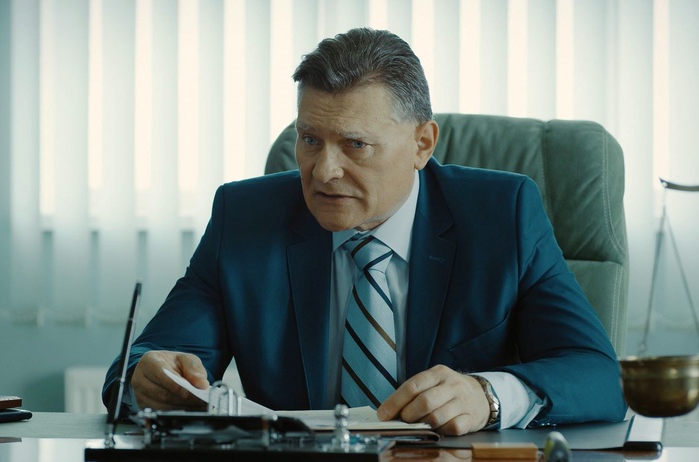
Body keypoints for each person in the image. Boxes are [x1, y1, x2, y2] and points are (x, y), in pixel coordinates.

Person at [103, 27, 626, 435]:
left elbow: (598, 375)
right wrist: (149, 379)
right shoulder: (244, 217)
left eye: (355, 144)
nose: (324, 171)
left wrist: (487, 396)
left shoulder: (502, 215)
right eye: (310, 140)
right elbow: (142, 366)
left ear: (423, 144)